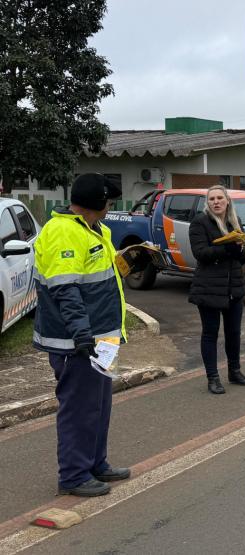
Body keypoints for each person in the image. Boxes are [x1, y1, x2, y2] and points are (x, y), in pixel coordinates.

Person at [33, 173, 130, 497]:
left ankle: (95, 462)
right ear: (97, 202)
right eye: (109, 202)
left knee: (99, 404)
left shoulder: (97, 229)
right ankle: (74, 475)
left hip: (104, 338)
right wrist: (81, 334)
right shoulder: (62, 232)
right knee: (79, 408)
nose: (110, 207)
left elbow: (101, 277)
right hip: (78, 342)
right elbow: (65, 290)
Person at [188, 185, 245, 394]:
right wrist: (226, 249)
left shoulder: (235, 221)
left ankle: (235, 371)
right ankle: (212, 378)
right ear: (208, 203)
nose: (216, 202)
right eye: (212, 199)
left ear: (227, 201)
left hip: (234, 287)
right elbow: (200, 253)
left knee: (233, 333)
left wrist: (240, 249)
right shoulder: (200, 222)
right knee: (210, 333)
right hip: (208, 287)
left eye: (220, 198)